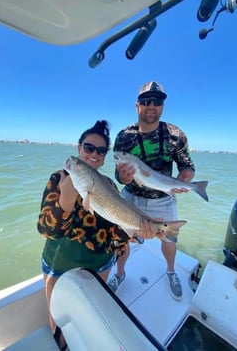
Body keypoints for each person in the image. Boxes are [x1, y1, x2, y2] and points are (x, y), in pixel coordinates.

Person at [37, 120, 156, 350]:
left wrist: (138, 230)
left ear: (104, 156)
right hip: (59, 261)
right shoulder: (58, 179)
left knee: (91, 317)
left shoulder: (109, 184)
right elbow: (47, 230)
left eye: (101, 151)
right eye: (89, 148)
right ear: (79, 147)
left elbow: (113, 232)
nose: (94, 154)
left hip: (100, 263)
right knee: (58, 323)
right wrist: (66, 199)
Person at [107, 82, 195, 301]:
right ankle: (119, 273)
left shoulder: (175, 134)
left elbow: (186, 165)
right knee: (121, 240)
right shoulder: (124, 136)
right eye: (146, 101)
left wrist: (185, 178)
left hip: (164, 198)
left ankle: (171, 271)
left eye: (157, 101)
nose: (151, 106)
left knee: (169, 241)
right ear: (137, 106)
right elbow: (118, 174)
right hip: (130, 198)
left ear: (162, 105)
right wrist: (123, 177)